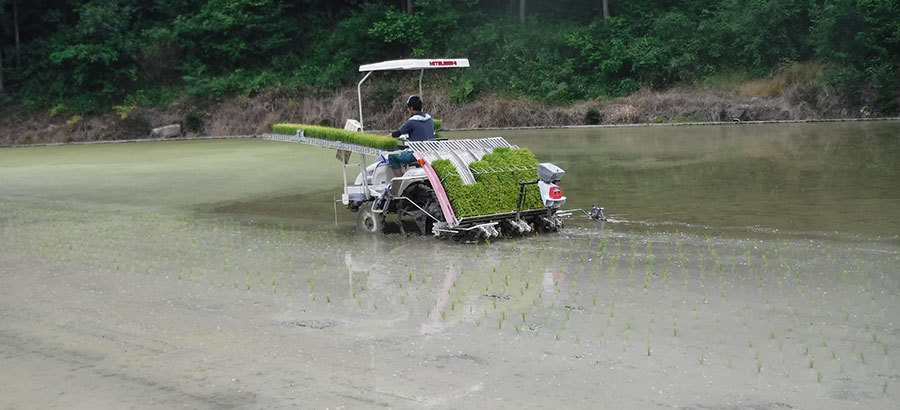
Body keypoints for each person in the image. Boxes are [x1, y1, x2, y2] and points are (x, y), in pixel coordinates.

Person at [387, 95, 434, 177]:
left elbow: (397, 133)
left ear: (411, 108)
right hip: (429, 153)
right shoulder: (430, 119)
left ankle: (399, 181)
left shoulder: (412, 121)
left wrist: (385, 138)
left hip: (416, 155)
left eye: (408, 107)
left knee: (392, 157)